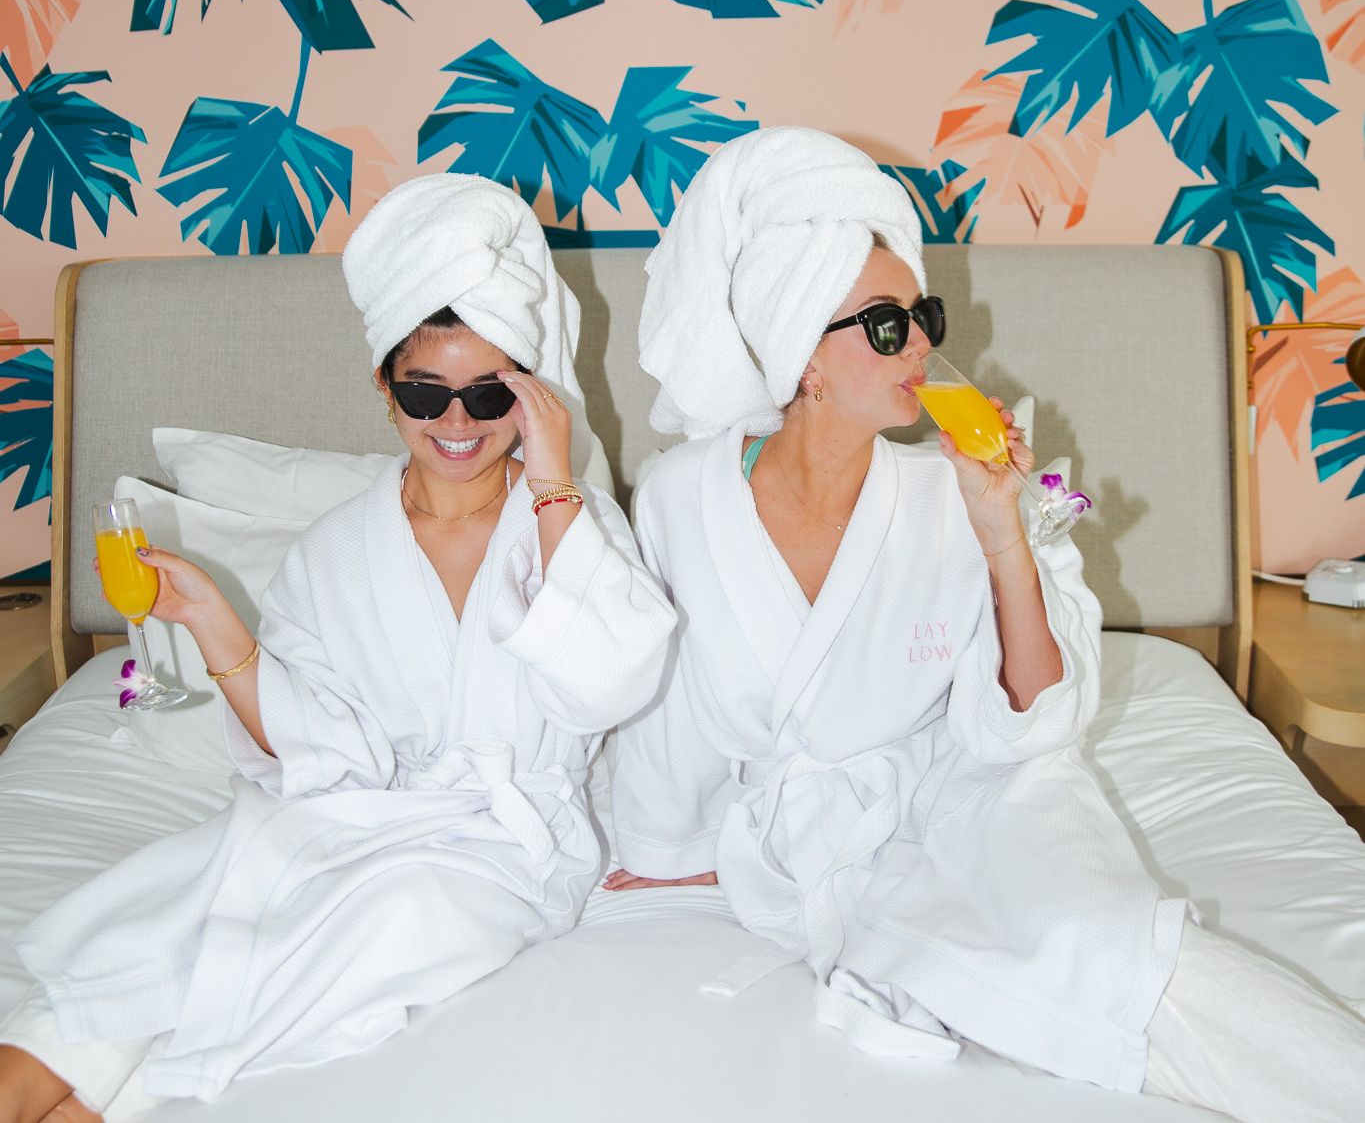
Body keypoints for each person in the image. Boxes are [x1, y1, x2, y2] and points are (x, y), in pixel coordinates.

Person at [605, 127, 1365, 1122]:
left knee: (1105, 952)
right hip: (807, 851)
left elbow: (1029, 726)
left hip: (968, 797)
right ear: (804, 360)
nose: (923, 345)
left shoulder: (941, 494)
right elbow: (664, 703)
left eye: (922, 314)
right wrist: (660, 853)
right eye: (885, 326)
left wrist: (1002, 524)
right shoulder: (679, 498)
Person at [0, 174, 674, 1122]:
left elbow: (609, 686)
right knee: (194, 898)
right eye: (423, 391)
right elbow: (315, 752)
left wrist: (556, 478)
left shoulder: (571, 520)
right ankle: (34, 1072)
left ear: (527, 393)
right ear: (382, 385)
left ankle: (133, 1095)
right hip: (350, 814)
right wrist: (212, 624)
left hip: (497, 847)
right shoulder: (334, 551)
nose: (456, 423)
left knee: (396, 922)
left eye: (489, 392)